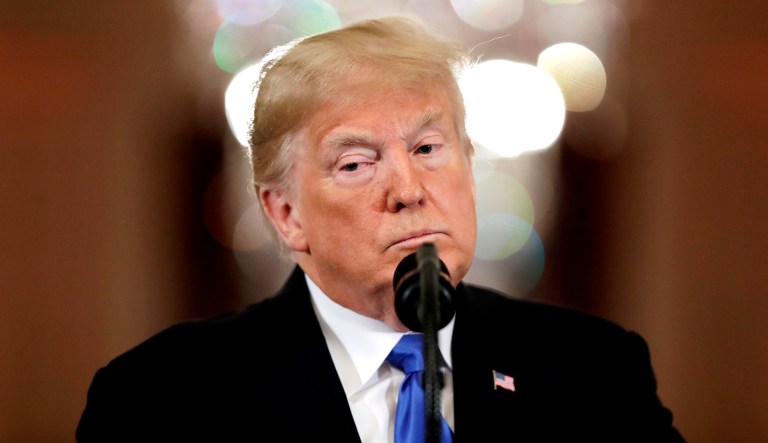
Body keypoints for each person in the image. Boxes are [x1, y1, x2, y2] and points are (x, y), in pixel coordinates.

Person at [77, 16, 685, 442]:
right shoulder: (160, 400)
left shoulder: (597, 373)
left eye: (427, 147)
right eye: (356, 163)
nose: (408, 189)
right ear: (286, 215)